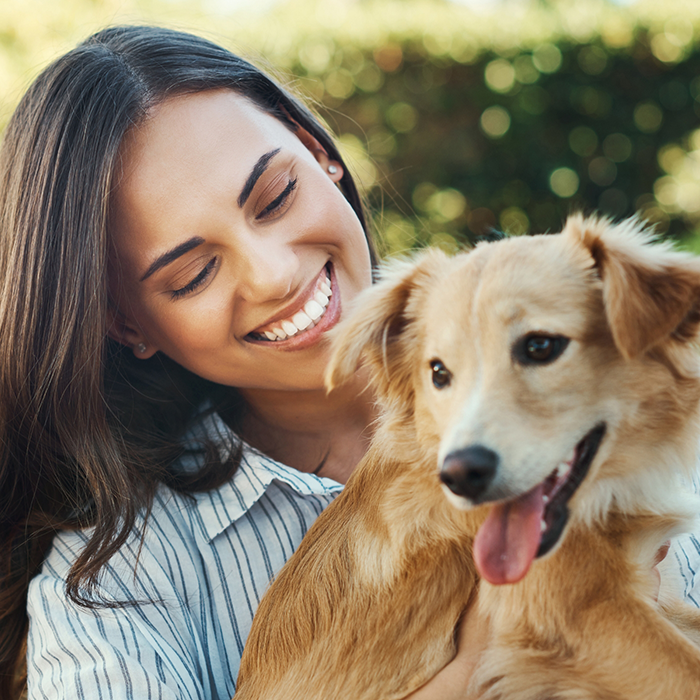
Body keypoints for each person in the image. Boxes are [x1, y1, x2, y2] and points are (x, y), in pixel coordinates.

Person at [0, 24, 697, 700]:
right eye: (192, 275)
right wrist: (473, 673)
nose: (273, 275)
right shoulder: (113, 579)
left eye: (275, 197)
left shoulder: (622, 388)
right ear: (126, 325)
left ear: (317, 150)